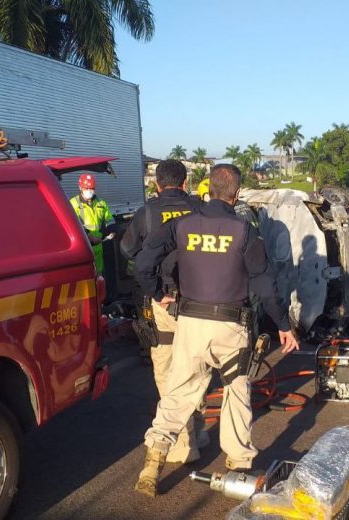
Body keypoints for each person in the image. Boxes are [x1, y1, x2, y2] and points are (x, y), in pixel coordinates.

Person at [133, 164, 299, 497]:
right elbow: (265, 286)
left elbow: (142, 264)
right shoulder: (245, 230)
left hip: (191, 324)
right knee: (236, 393)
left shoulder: (181, 225)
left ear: (207, 188)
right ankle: (239, 465)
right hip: (231, 327)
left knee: (178, 393)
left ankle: (153, 464)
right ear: (236, 194)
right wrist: (284, 325)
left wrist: (157, 293)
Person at [120, 159, 204, 464]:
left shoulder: (147, 212)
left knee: (168, 371)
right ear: (184, 184)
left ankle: (185, 445)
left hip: (165, 300)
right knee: (197, 366)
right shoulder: (199, 209)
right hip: (200, 301)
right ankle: (199, 430)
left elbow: (129, 251)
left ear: (157, 185)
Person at [70, 174, 115, 276]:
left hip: (99, 246)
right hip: (84, 247)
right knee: (86, 276)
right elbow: (73, 226)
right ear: (80, 188)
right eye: (87, 188)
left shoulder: (101, 203)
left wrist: (112, 230)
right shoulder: (73, 204)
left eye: (92, 188)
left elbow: (109, 219)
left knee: (99, 275)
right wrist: (89, 236)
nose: (90, 191)